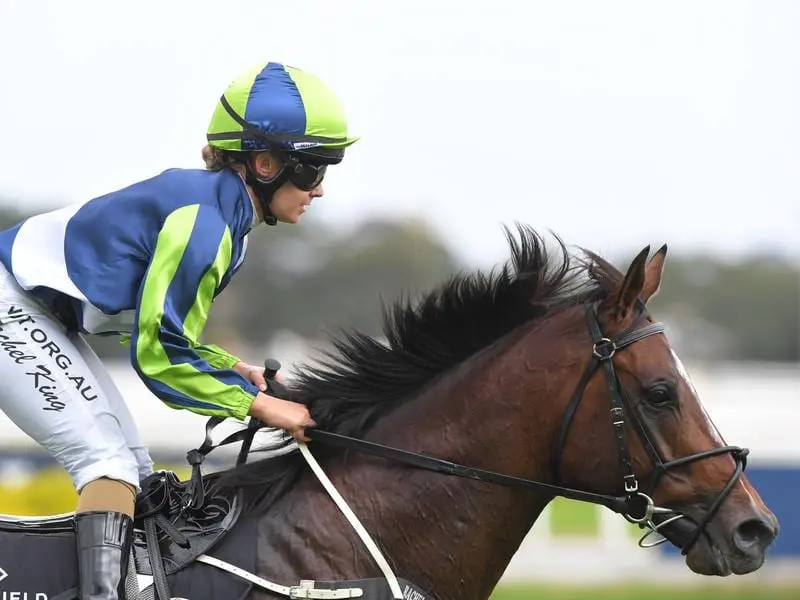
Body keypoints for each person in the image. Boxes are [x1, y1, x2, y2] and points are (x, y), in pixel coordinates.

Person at [0, 61, 358, 600]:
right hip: (13, 304)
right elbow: (158, 356)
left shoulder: (221, 215)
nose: (321, 189)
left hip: (34, 309)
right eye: (312, 170)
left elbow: (162, 334)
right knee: (107, 463)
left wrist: (229, 369)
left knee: (136, 471)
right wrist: (258, 406)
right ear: (264, 164)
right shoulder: (207, 222)